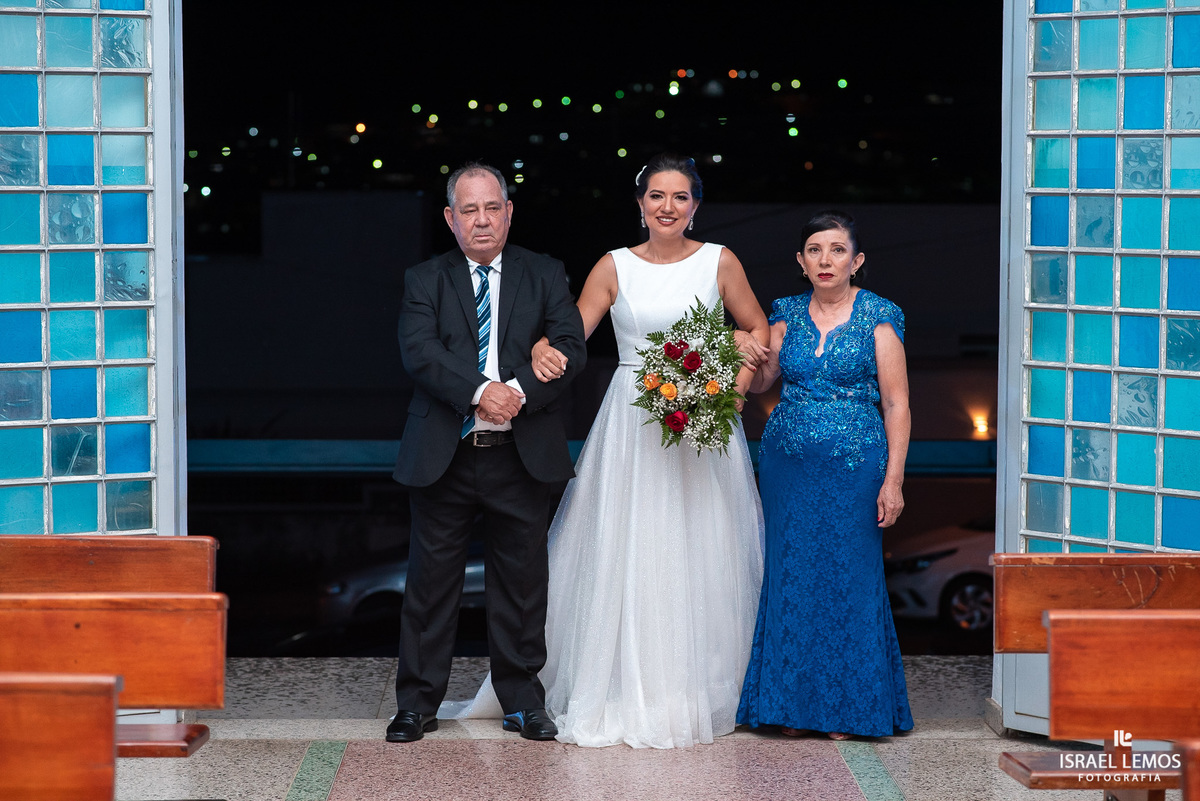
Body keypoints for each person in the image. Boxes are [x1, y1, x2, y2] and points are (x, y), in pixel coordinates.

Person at [494, 153, 766, 749]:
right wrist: (540, 346)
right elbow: (574, 333)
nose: (668, 207)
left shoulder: (720, 260)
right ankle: (619, 682)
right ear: (640, 204)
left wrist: (732, 392)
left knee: (704, 544)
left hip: (704, 418)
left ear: (695, 205)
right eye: (656, 196)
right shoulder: (613, 265)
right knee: (631, 541)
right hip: (633, 419)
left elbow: (757, 328)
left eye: (680, 196)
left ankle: (701, 689)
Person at [386, 163, 587, 743]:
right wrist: (482, 391)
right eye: (469, 210)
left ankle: (522, 702)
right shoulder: (425, 279)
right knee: (430, 587)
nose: (482, 220)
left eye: (492, 207)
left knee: (522, 586)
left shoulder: (544, 273)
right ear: (450, 218)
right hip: (444, 453)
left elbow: (570, 347)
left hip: (519, 453)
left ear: (509, 212)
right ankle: (416, 705)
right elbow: (420, 353)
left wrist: (514, 392)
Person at [736, 211, 914, 739]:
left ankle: (848, 711)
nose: (825, 260)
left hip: (856, 468)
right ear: (801, 261)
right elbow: (761, 383)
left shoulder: (879, 317)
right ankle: (789, 708)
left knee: (848, 577)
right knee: (791, 574)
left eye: (837, 250)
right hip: (786, 466)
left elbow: (897, 405)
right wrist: (743, 350)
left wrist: (894, 482)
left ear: (856, 261)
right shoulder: (785, 313)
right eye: (815, 250)